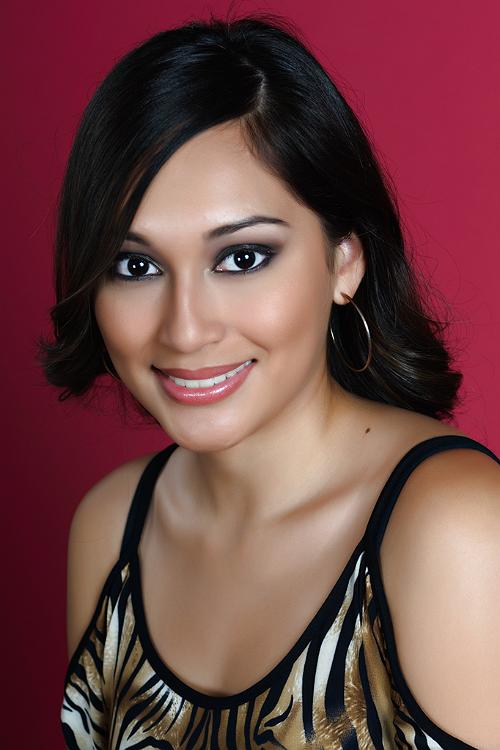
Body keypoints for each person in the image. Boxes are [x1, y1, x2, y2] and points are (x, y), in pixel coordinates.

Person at [38, 12, 500, 750]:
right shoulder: (111, 530)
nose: (185, 329)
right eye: (137, 265)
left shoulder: (457, 529)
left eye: (242, 258)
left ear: (344, 261)